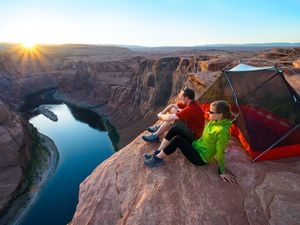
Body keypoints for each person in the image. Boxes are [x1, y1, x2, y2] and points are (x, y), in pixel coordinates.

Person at [144, 100, 236, 184]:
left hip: (200, 157)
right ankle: (158, 152)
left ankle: (157, 159)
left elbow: (220, 152)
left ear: (220, 115)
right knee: (175, 129)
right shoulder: (214, 121)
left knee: (177, 140)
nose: (208, 113)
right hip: (197, 145)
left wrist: (222, 171)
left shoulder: (222, 132)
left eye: (211, 112)